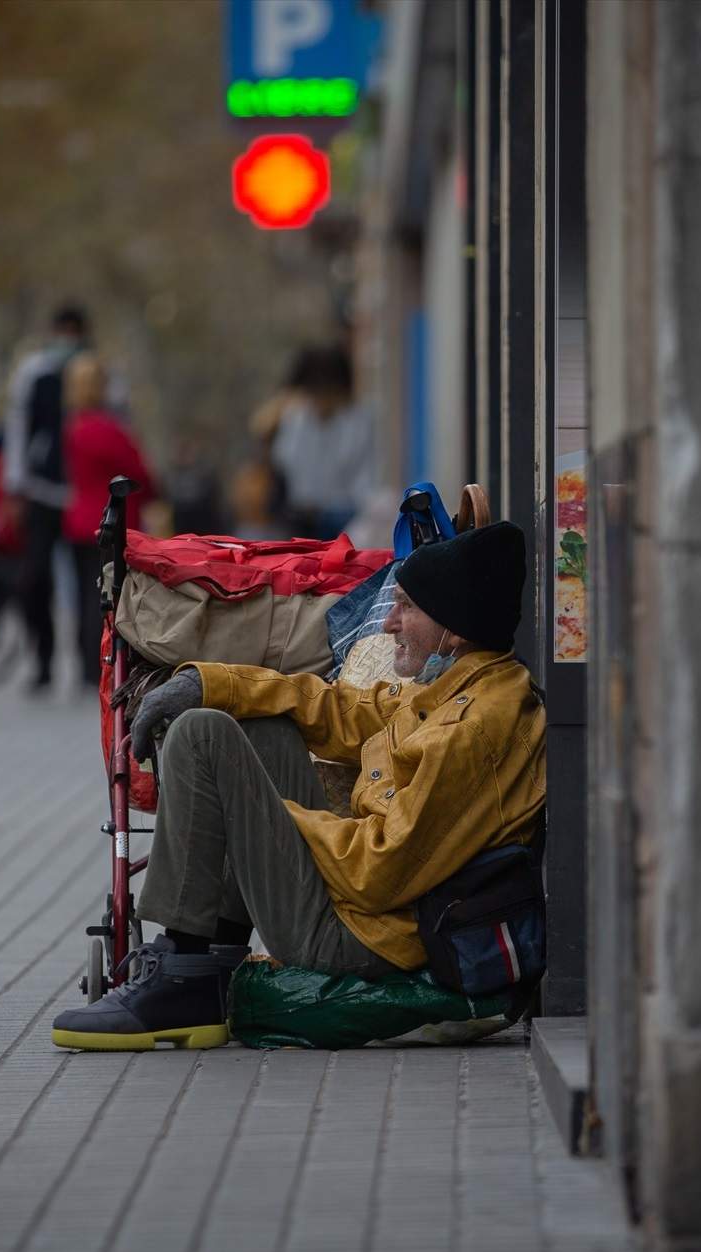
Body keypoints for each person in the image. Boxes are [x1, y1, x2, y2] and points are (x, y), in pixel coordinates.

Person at [52, 521, 544, 1050]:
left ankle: (182, 973)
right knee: (258, 725)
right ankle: (212, 957)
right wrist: (209, 682)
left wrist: (263, 817)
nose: (391, 625)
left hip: (365, 937)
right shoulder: (464, 684)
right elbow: (342, 709)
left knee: (201, 735)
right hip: (366, 905)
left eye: (407, 608)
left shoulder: (471, 732)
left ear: (454, 627)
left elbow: (379, 872)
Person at [3, 303, 89, 693]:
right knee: (34, 579)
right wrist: (14, 484)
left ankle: (91, 665)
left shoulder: (99, 373)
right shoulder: (33, 373)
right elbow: (18, 428)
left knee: (92, 583)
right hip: (40, 491)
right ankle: (43, 661)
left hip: (84, 495)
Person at [61, 354, 153, 689]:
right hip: (109, 522)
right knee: (108, 598)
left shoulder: (71, 428)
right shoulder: (109, 429)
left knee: (83, 596)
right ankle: (102, 663)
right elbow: (139, 471)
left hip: (77, 520)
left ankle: (84, 664)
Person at [262, 344, 374, 540]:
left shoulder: (358, 422)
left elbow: (363, 476)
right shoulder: (295, 418)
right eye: (314, 391)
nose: (321, 399)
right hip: (301, 517)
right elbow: (283, 459)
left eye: (327, 391)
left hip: (345, 518)